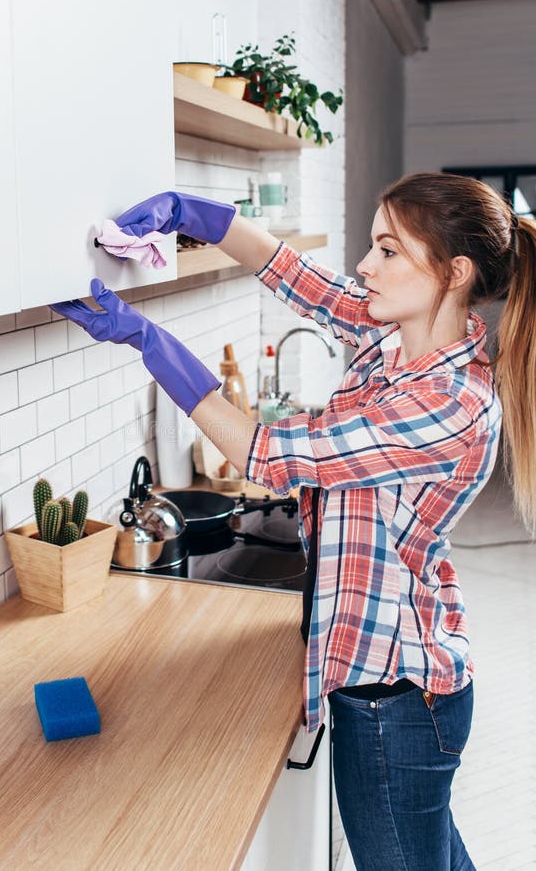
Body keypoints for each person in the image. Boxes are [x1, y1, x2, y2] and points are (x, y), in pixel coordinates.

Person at [50, 173, 536, 870]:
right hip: (394, 680)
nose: (365, 266)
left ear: (453, 273)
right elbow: (298, 278)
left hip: (394, 700)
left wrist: (147, 341)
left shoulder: (449, 404)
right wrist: (191, 212)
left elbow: (264, 455)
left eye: (388, 250)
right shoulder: (394, 341)